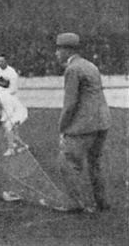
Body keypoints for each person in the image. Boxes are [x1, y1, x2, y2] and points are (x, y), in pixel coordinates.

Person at [55, 32, 111, 212]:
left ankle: (75, 204)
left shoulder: (72, 69)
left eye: (58, 49)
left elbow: (70, 104)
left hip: (84, 125)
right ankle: (102, 202)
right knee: (95, 163)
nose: (56, 54)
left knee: (68, 162)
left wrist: (62, 128)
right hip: (102, 123)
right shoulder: (90, 65)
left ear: (66, 50)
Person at [0, 85, 28, 156]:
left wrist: (1, 121)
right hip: (13, 112)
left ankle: (11, 149)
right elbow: (1, 111)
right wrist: (1, 121)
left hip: (20, 113)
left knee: (8, 127)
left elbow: (8, 111)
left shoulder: (3, 96)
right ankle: (23, 146)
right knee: (9, 132)